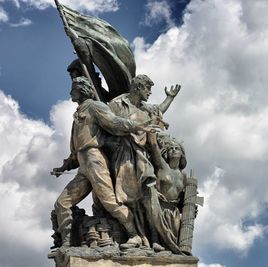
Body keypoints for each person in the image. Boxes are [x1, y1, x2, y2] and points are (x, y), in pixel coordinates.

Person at [52, 76, 154, 247]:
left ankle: (134, 234)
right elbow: (77, 148)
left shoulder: (94, 107)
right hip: (83, 164)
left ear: (83, 90)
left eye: (74, 89)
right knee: (61, 204)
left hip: (95, 160)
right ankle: (67, 243)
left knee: (109, 202)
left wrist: (137, 126)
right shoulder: (78, 114)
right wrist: (63, 167)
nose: (71, 92)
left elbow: (114, 122)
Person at [106, 74, 181, 248]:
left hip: (143, 158)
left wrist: (169, 98)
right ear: (138, 87)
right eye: (148, 89)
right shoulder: (117, 104)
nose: (149, 93)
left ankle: (154, 238)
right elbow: (108, 125)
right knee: (128, 199)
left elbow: (159, 110)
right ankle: (135, 236)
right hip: (124, 155)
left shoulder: (146, 109)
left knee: (148, 199)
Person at [145, 133, 187, 254]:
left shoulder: (183, 176)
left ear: (182, 154)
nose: (173, 150)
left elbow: (183, 198)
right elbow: (153, 146)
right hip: (159, 208)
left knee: (172, 244)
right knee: (158, 243)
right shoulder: (162, 166)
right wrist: (151, 130)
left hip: (173, 213)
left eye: (176, 148)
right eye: (170, 149)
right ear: (167, 153)